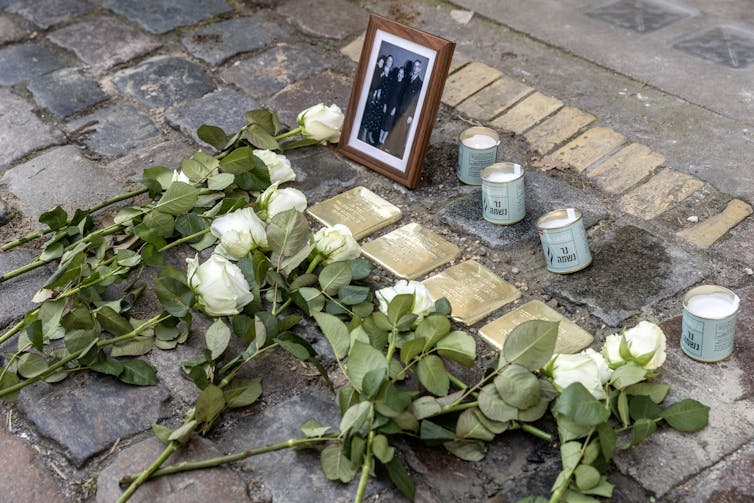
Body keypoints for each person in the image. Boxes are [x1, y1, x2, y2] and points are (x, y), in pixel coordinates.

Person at [384, 59, 423, 156]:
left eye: (417, 66)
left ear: (420, 69)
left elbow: (417, 102)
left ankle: (396, 152)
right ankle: (388, 148)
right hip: (399, 109)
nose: (415, 68)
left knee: (402, 132)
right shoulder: (407, 78)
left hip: (407, 112)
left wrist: (411, 115)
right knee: (393, 128)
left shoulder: (420, 84)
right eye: (414, 66)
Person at [378, 66, 406, 147]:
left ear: (403, 75)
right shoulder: (393, 81)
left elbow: (400, 99)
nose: (400, 75)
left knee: (388, 124)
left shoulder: (403, 85)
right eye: (399, 73)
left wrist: (395, 108)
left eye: (402, 74)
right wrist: (385, 104)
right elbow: (388, 93)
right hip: (388, 104)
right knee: (383, 122)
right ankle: (379, 139)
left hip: (394, 106)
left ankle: (383, 141)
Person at [360, 55, 385, 143]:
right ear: (378, 62)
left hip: (378, 96)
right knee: (369, 114)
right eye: (380, 62)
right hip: (371, 94)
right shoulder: (376, 71)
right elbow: (375, 84)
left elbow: (381, 85)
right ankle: (364, 133)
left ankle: (369, 135)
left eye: (383, 63)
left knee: (374, 117)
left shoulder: (382, 71)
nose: (381, 64)